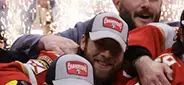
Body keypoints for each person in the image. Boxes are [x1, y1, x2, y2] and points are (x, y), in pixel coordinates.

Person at [0, 12, 129, 85]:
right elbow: (6, 71)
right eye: (100, 44)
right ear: (83, 42)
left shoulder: (130, 77)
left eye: (115, 48)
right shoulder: (58, 61)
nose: (107, 54)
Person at [10, 0, 162, 58]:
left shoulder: (177, 36)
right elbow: (19, 45)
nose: (146, 4)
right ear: (116, 2)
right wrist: (43, 40)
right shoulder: (90, 30)